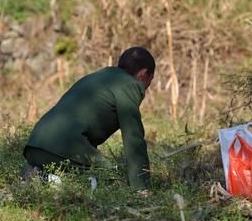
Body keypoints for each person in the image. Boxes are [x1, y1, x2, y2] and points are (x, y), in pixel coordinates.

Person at [22, 47, 155, 190]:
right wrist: (141, 186)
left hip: (35, 146)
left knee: (81, 171)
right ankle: (46, 180)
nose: (147, 87)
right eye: (150, 80)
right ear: (143, 74)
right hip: (61, 148)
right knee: (112, 182)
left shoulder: (101, 76)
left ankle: (40, 175)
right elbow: (133, 138)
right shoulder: (130, 85)